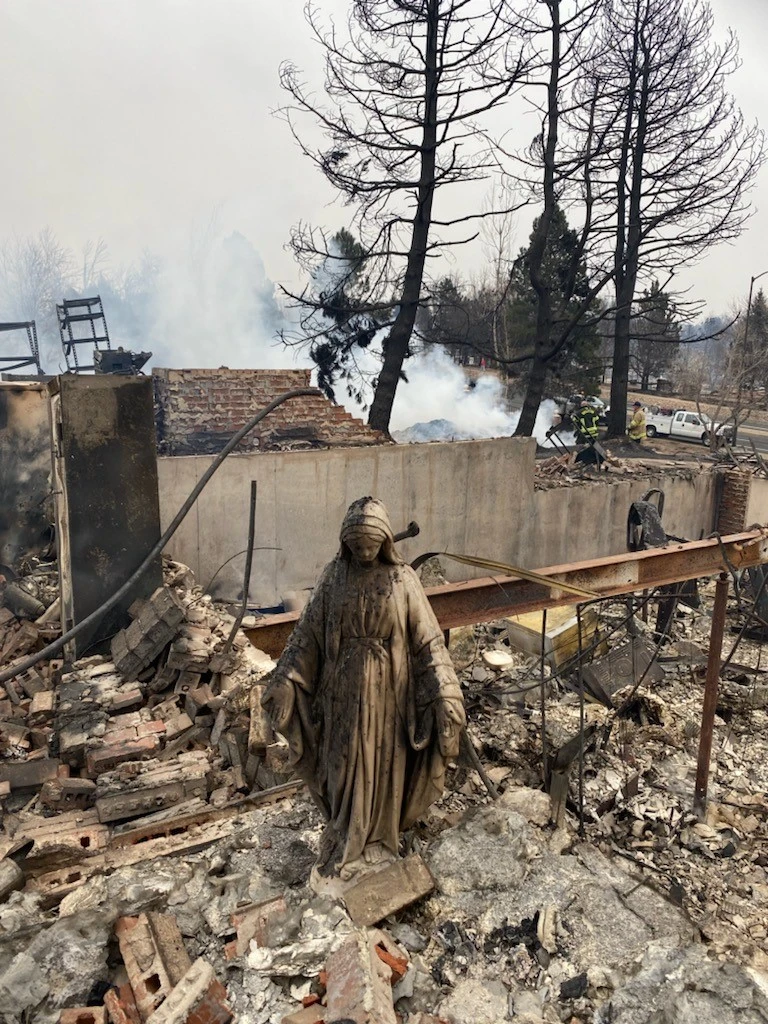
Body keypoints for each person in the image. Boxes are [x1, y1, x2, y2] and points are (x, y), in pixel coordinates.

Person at [262, 497, 466, 882]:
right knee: (341, 765)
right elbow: (306, 636)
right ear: (346, 544)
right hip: (341, 694)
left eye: (372, 547)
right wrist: (286, 678)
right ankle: (344, 835)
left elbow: (428, 642)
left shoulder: (402, 579)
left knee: (383, 766)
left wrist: (445, 691)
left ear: (386, 542)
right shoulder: (333, 576)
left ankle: (377, 843)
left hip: (389, 695)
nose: (364, 554)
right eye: (357, 548)